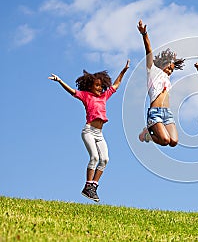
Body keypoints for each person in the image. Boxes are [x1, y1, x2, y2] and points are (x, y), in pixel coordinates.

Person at [48, 60, 130, 202]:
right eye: (96, 85)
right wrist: (60, 81)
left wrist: (123, 71)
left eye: (100, 85)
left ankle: (93, 187)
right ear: (90, 86)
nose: (99, 88)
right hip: (88, 131)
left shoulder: (104, 96)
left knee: (105, 159)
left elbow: (116, 85)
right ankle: (87, 185)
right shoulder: (86, 96)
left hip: (99, 134)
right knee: (94, 158)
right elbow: (72, 91)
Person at [137, 20, 185, 147]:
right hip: (155, 112)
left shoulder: (167, 79)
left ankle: (151, 133)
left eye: (172, 70)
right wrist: (144, 34)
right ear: (162, 64)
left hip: (167, 113)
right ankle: (147, 134)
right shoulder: (152, 71)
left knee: (173, 142)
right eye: (168, 67)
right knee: (165, 141)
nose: (170, 70)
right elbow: (149, 51)